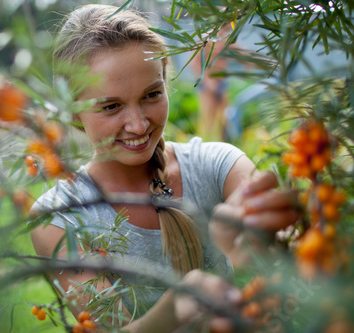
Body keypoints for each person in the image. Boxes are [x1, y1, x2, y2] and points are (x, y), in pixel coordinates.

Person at [30, 4, 299, 332]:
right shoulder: (59, 219)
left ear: (165, 80)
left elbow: (290, 269)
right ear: (72, 111)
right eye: (111, 106)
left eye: (151, 95)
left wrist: (264, 240)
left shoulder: (218, 166)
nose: (138, 123)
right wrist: (175, 307)